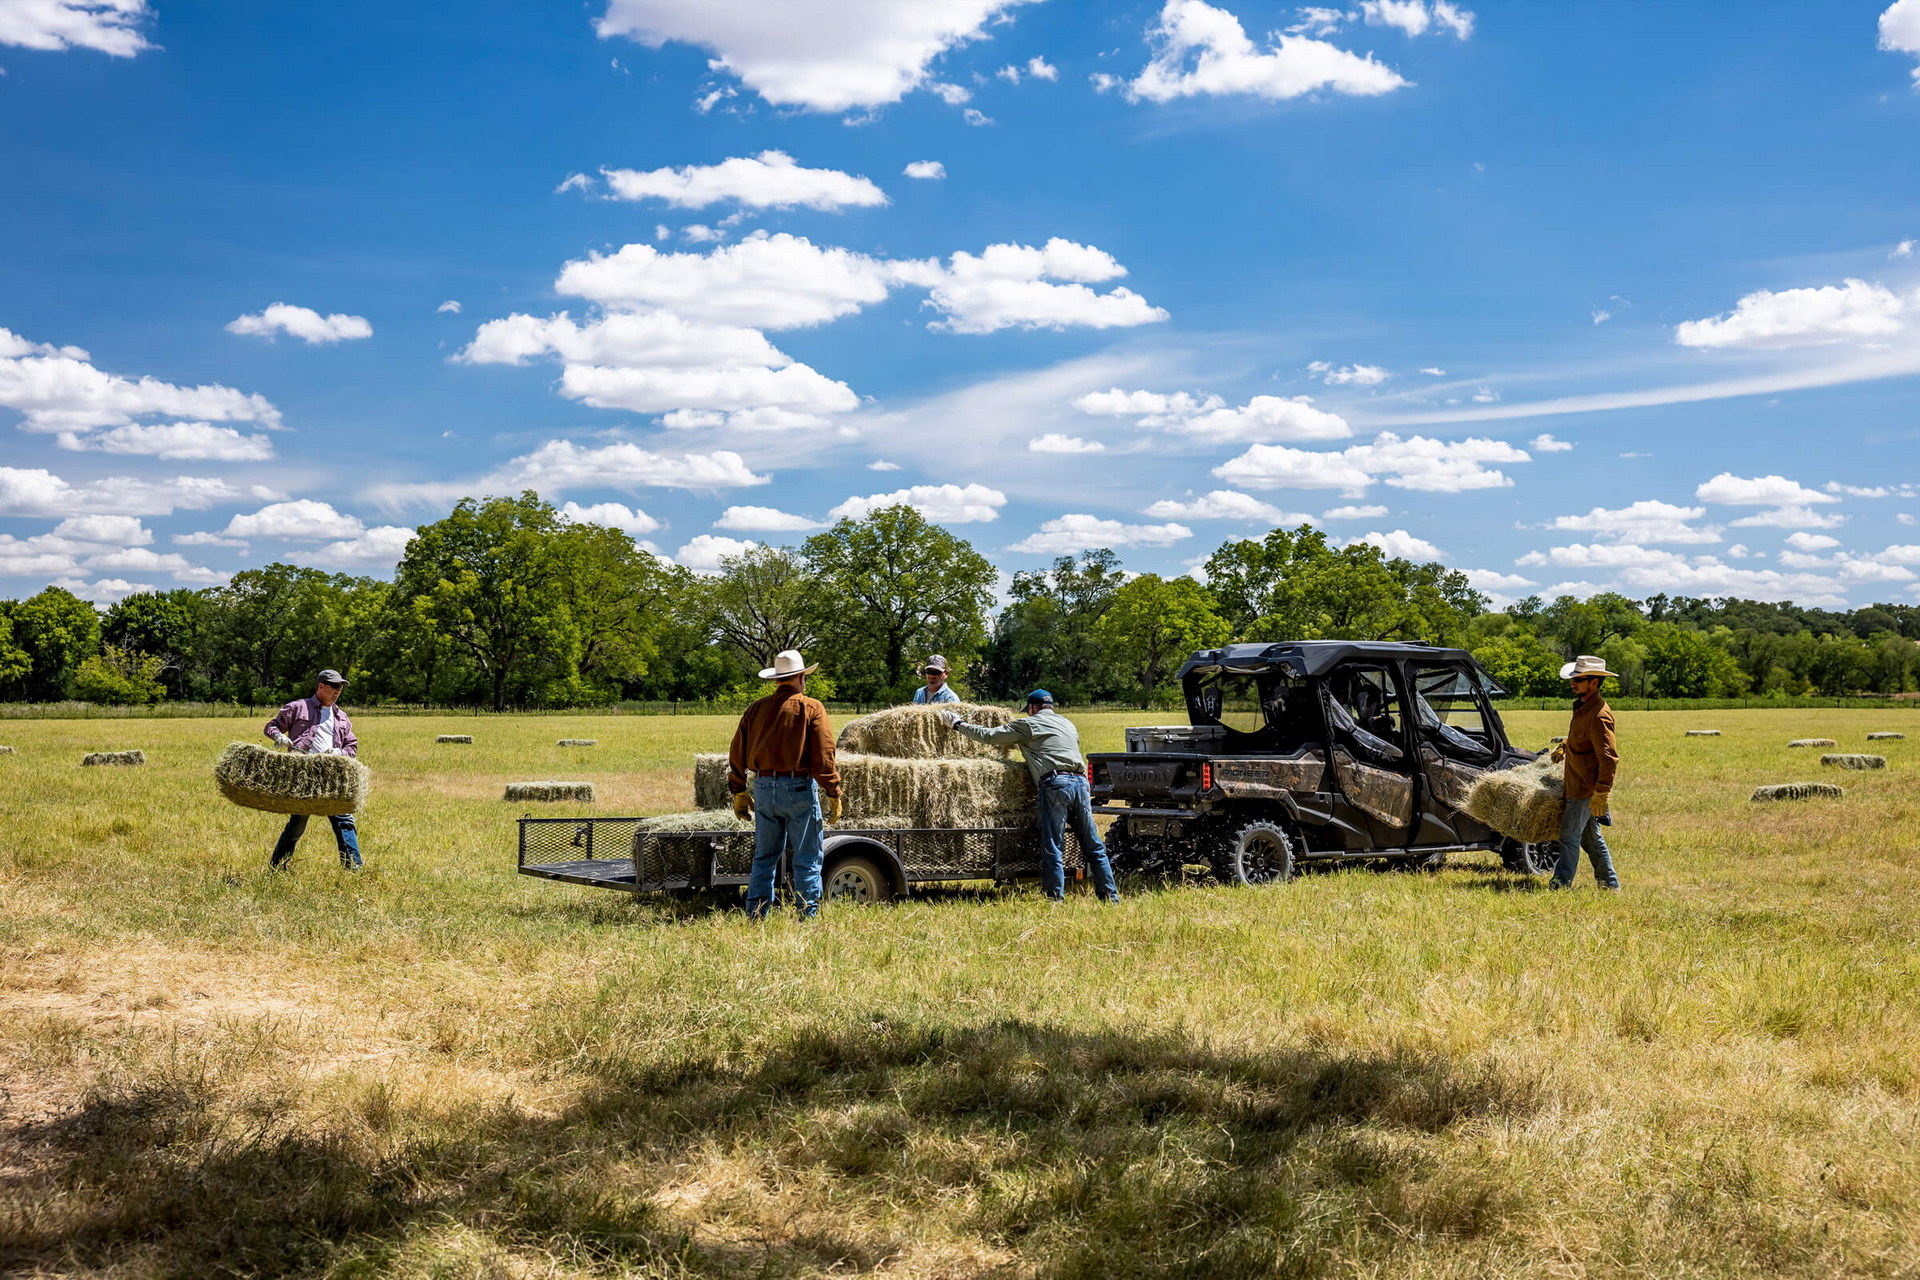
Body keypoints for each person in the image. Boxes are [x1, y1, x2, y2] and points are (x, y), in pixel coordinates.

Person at [944, 690, 1120, 903]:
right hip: (1081, 783)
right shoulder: (1068, 724)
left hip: (1056, 784)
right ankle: (1110, 897)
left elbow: (989, 736)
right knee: (1093, 845)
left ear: (1033, 708)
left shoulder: (1029, 725)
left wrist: (958, 725)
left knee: (1053, 845)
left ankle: (1054, 899)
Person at [728, 649, 843, 919]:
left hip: (764, 787)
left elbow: (736, 752)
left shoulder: (756, 709)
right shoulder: (812, 707)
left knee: (765, 856)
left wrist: (740, 790)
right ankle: (806, 915)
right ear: (801, 677)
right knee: (806, 857)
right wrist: (833, 791)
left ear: (777, 680)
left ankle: (756, 914)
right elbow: (824, 755)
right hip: (798, 788)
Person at [264, 668, 362, 871]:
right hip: (303, 775)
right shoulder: (298, 707)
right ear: (320, 686)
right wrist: (279, 737)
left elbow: (352, 746)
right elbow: (271, 726)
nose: (338, 691)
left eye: (340, 687)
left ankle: (353, 868)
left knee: (344, 819)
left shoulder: (342, 716)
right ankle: (276, 867)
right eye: (334, 686)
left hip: (332, 776)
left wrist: (340, 753)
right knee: (297, 825)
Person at [1549, 654, 1621, 891]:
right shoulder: (1583, 708)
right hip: (1577, 784)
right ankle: (1610, 885)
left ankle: (1560, 884)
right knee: (1591, 840)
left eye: (1579, 679)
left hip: (1585, 789)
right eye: (1573, 679)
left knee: (1568, 837)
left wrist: (1601, 792)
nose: (1573, 683)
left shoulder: (1599, 715)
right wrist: (1565, 745)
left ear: (1594, 682)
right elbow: (1584, 740)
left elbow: (1609, 758)